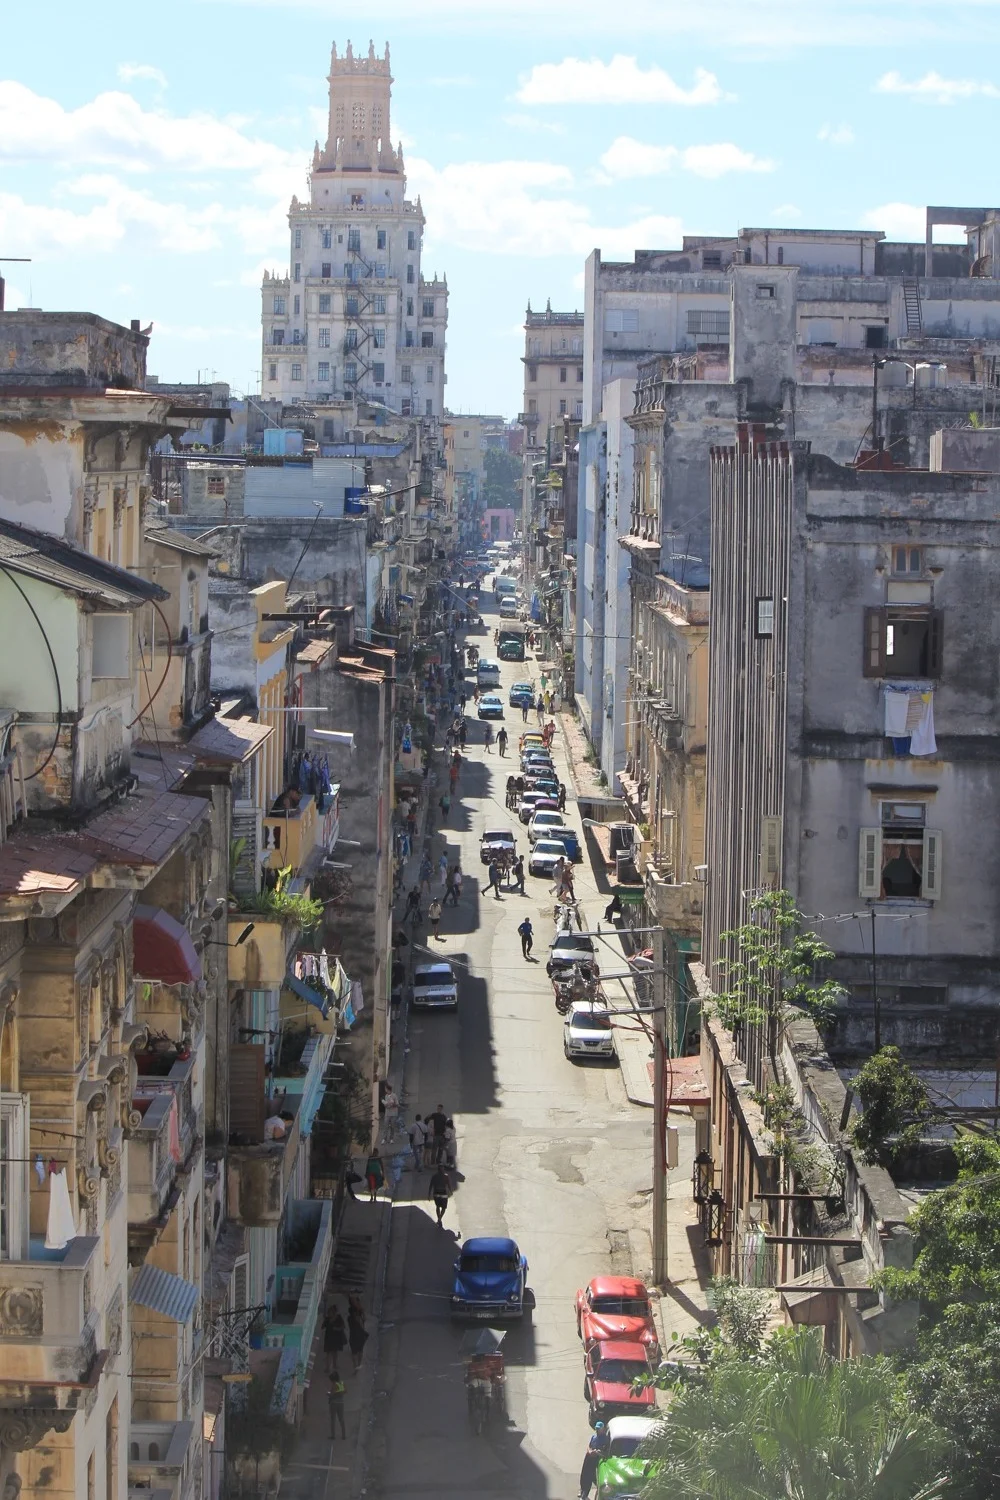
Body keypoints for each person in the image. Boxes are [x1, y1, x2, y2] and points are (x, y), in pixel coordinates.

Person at [579, 1423, 607, 1498]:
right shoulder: (594, 1437)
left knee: (589, 1476)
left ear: (603, 1429)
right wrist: (589, 1451)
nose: (597, 1430)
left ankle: (585, 1494)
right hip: (588, 1457)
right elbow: (589, 1446)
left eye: (599, 1429)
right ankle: (582, 1489)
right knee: (584, 1474)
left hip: (595, 1459)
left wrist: (597, 1452)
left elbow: (605, 1452)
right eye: (596, 1429)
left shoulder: (605, 1439)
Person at [322, 1304, 347, 1375]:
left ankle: (334, 1365)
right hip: (328, 1338)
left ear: (334, 1313)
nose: (329, 1314)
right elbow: (323, 1327)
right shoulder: (327, 1319)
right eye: (328, 1313)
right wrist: (325, 1320)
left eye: (330, 1313)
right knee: (328, 1353)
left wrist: (337, 1329)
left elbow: (343, 1326)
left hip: (336, 1338)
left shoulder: (339, 1318)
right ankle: (328, 1368)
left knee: (335, 1352)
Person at [347, 1296, 368, 1372]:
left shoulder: (358, 1313)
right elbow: (363, 1321)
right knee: (358, 1351)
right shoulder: (354, 1315)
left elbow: (364, 1320)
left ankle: (357, 1365)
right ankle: (357, 1365)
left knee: (357, 1351)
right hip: (357, 1333)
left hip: (357, 1333)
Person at [428, 1162, 452, 1226]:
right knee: (442, 1207)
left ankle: (439, 1219)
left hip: (437, 1193)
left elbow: (431, 1186)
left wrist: (429, 1194)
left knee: (439, 1207)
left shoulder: (435, 1176)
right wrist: (450, 1191)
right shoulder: (445, 1176)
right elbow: (448, 1185)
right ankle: (439, 1219)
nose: (442, 1170)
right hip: (442, 1193)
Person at [328, 1370, 347, 1439]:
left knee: (333, 1420)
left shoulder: (334, 1385)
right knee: (341, 1419)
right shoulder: (342, 1383)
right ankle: (343, 1435)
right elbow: (345, 1391)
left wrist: (328, 1394)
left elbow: (332, 1395)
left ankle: (333, 1435)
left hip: (334, 1404)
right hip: (341, 1403)